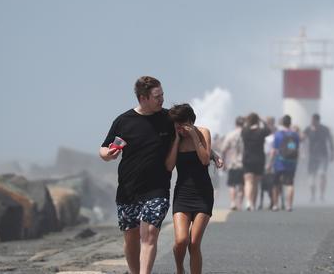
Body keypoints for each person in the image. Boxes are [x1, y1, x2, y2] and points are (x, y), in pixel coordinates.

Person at [99, 76, 174, 274]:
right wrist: (108, 154)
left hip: (157, 188)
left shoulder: (168, 119)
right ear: (143, 98)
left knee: (149, 234)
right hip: (128, 189)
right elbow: (103, 149)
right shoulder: (124, 121)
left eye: (162, 95)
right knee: (131, 238)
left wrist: (213, 152)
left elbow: (192, 132)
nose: (162, 99)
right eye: (157, 96)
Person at [165, 104, 214, 274]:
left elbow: (205, 160)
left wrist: (194, 136)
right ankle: (180, 269)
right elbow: (169, 166)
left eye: (183, 124)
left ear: (191, 121)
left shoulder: (203, 132)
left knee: (194, 243)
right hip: (182, 193)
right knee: (181, 240)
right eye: (177, 125)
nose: (181, 128)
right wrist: (177, 140)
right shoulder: (174, 138)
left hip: (203, 193)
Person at [241, 112, 272, 211]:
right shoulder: (261, 131)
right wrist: (262, 120)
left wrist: (247, 120)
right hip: (259, 159)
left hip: (247, 158)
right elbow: (268, 130)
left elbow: (244, 126)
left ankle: (248, 202)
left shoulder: (245, 131)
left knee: (248, 181)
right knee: (256, 182)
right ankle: (253, 203)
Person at [269, 115, 300, 211]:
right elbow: (297, 149)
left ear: (282, 123)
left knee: (276, 184)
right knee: (290, 184)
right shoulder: (295, 135)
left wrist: (269, 163)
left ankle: (275, 205)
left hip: (279, 162)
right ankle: (289, 205)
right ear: (290, 123)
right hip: (291, 162)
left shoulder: (278, 134)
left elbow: (274, 150)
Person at [303, 113, 334, 202]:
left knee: (322, 174)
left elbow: (330, 140)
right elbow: (302, 138)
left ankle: (321, 195)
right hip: (312, 156)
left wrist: (332, 153)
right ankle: (313, 196)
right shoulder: (308, 129)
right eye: (311, 120)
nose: (311, 122)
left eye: (312, 120)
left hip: (323, 155)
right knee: (312, 177)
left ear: (317, 120)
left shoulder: (325, 129)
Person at [220, 116, 245, 211]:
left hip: (233, 163)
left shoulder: (231, 135)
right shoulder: (247, 134)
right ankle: (240, 204)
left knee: (232, 184)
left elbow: (223, 149)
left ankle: (233, 202)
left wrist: (224, 162)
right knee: (242, 185)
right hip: (244, 163)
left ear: (236, 124)